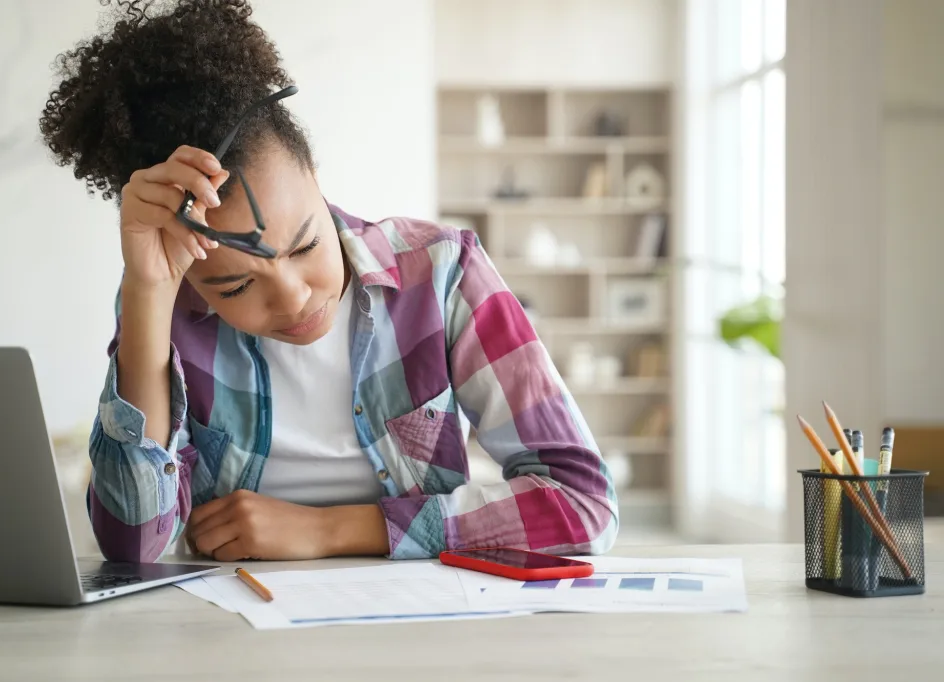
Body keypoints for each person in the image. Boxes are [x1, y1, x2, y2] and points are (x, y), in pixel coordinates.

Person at [38, 0, 618, 564]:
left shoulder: (441, 275)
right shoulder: (165, 303)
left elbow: (583, 505)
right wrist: (146, 294)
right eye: (235, 287)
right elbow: (133, 548)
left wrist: (332, 529)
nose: (292, 296)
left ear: (315, 175)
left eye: (306, 245)